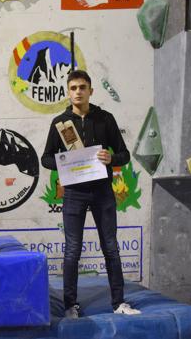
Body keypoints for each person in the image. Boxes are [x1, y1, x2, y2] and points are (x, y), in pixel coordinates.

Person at [41, 70, 141, 318]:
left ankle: (119, 303)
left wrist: (111, 158)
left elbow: (124, 154)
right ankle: (70, 306)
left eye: (82, 87)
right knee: (72, 249)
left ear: (91, 91)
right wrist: (63, 162)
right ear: (67, 91)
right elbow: (45, 158)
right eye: (73, 87)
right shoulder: (59, 122)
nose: (78, 91)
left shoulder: (105, 118)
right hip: (74, 193)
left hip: (102, 192)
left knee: (111, 247)